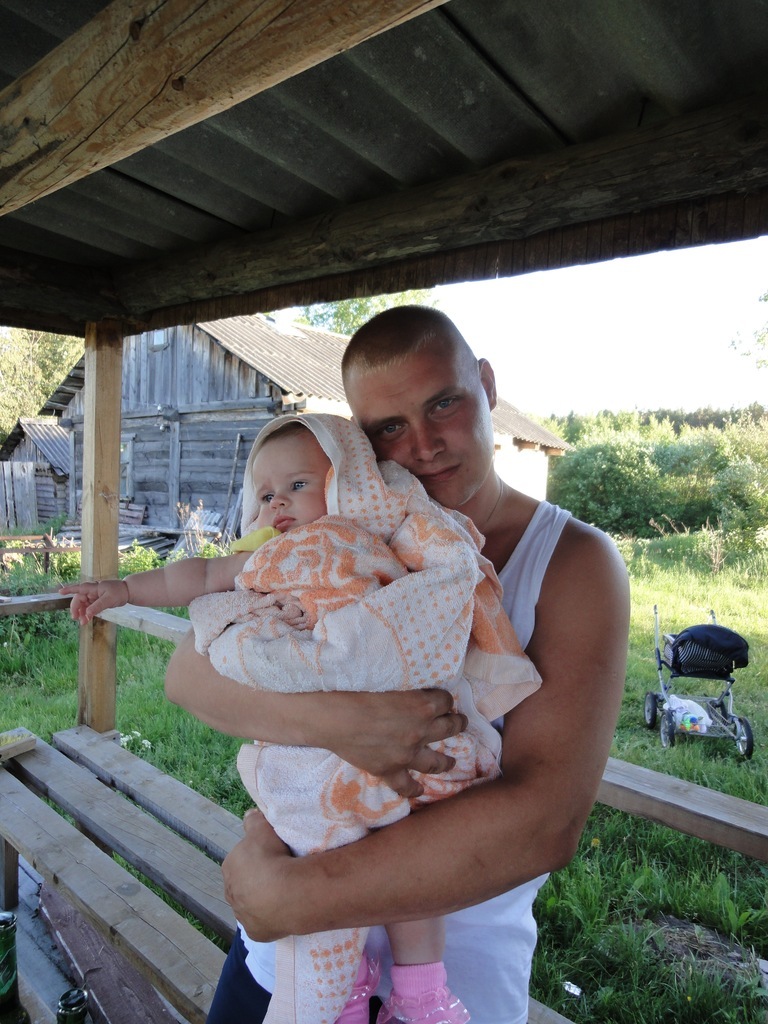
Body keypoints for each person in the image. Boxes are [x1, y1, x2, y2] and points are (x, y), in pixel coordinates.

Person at [164, 306, 630, 1024]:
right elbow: (187, 674)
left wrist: (298, 894)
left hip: (448, 981)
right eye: (388, 427)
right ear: (356, 438)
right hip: (286, 960)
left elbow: (546, 819)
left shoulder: (570, 562)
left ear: (486, 385)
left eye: (444, 403)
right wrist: (340, 725)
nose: (423, 445)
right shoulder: (330, 533)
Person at [62, 410, 541, 1024]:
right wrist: (126, 590)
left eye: (297, 485)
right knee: (321, 845)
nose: (279, 504)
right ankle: (343, 988)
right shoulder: (262, 554)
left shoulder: (374, 539)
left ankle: (422, 992)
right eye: (265, 495)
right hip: (316, 751)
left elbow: (432, 598)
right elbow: (199, 577)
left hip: (406, 732)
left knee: (412, 870)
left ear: (346, 485)